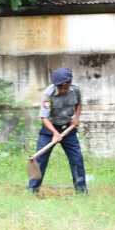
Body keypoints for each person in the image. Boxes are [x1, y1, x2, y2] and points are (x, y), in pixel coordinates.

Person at [29, 67, 86, 195]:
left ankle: (81, 192)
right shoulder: (48, 94)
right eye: (60, 87)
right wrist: (55, 133)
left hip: (68, 128)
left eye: (65, 87)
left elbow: (78, 104)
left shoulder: (76, 90)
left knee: (77, 159)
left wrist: (76, 117)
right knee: (40, 160)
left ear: (69, 83)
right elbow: (44, 117)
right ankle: (32, 190)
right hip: (49, 129)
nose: (62, 90)